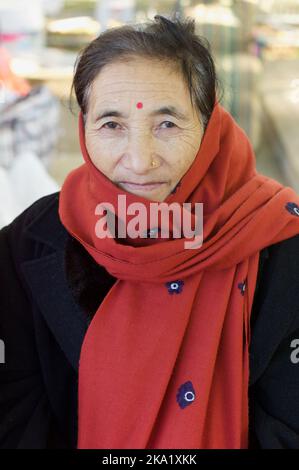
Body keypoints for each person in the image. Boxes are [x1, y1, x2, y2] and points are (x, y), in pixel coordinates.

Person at [1, 15, 299, 449]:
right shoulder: (25, 247)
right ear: (84, 129)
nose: (140, 161)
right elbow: (14, 414)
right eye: (112, 125)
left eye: (167, 124)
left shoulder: (280, 242)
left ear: (209, 123)